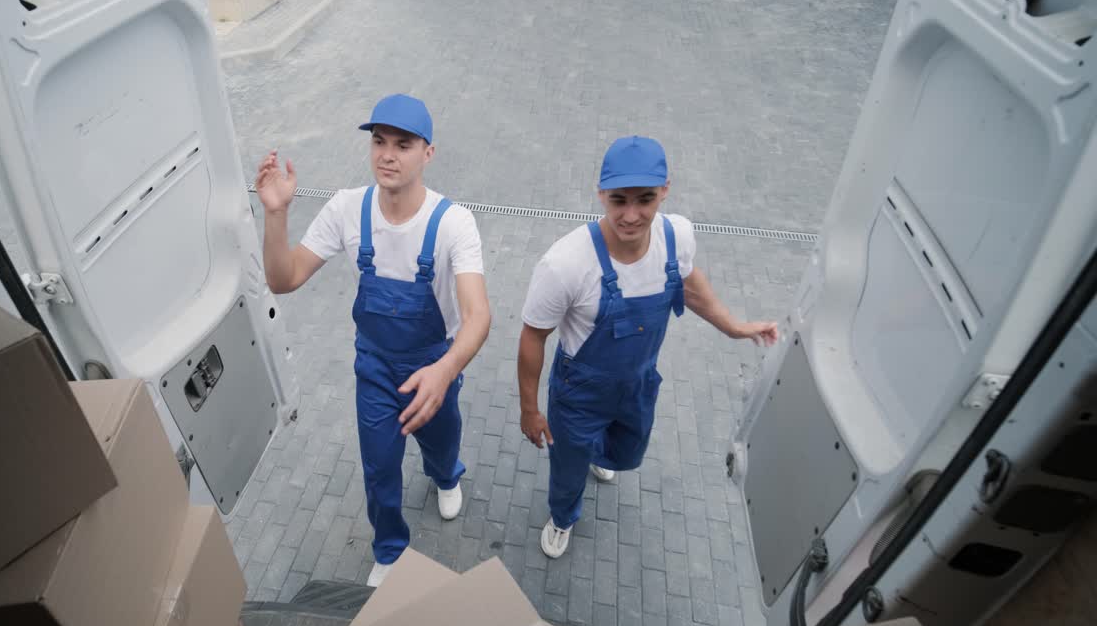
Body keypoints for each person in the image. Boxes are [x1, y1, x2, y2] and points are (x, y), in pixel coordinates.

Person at [255, 94, 491, 585]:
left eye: (403, 145)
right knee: (379, 465)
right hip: (376, 367)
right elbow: (284, 278)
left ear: (428, 153)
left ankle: (446, 475)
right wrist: (276, 214)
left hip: (434, 362)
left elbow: (478, 315)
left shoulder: (453, 223)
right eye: (379, 142)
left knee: (441, 442)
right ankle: (389, 550)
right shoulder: (347, 209)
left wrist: (445, 370)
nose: (387, 155)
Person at [517, 135, 778, 558]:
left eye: (645, 199)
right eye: (618, 200)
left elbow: (688, 282)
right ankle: (563, 516)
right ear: (600, 193)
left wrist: (733, 328)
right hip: (579, 392)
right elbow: (533, 335)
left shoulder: (677, 237)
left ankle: (596, 452)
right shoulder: (565, 264)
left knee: (626, 450)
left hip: (638, 384)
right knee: (567, 466)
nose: (631, 215)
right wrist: (530, 410)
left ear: (665, 190)